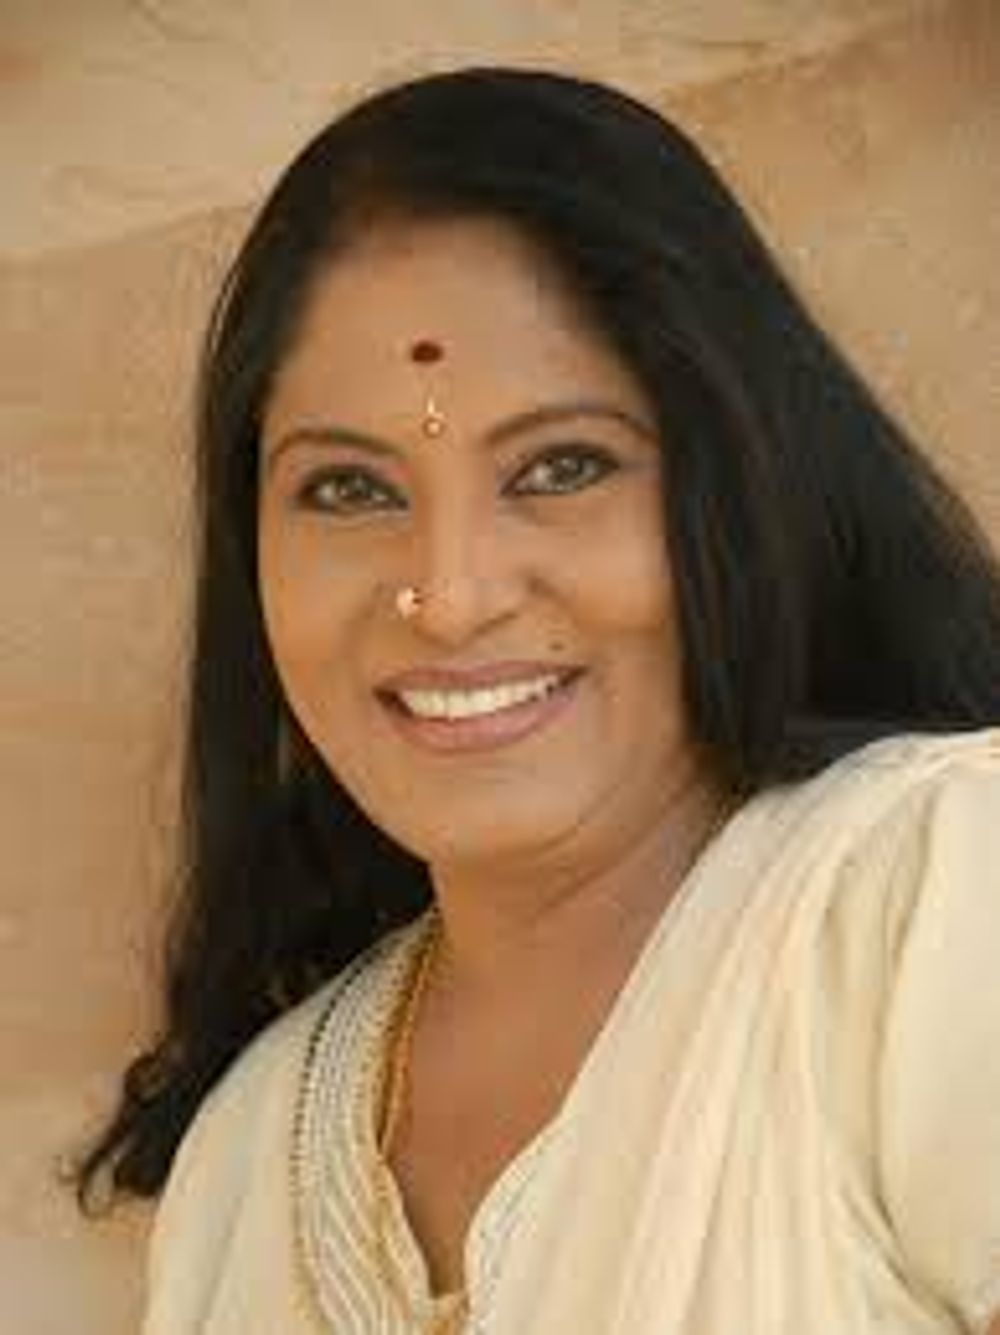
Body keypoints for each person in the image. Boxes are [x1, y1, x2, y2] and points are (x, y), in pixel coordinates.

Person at [72, 66, 1000, 1334]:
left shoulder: (930, 896)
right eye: (348, 489)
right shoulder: (246, 1156)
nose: (450, 598)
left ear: (736, 490)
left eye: (562, 467)